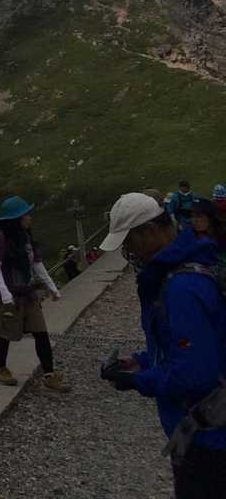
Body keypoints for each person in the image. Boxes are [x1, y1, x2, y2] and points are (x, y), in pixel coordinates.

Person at [98, 192, 226, 498]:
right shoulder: (186, 271)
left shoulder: (180, 288)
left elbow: (194, 375)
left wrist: (138, 380)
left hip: (209, 436)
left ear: (151, 231)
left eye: (128, 242)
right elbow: (189, 347)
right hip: (199, 429)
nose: (128, 252)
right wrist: (141, 361)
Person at [0, 196, 69, 391]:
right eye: (26, 214)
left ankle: (49, 374)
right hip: (10, 295)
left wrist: (52, 287)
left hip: (28, 293)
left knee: (41, 332)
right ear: (17, 218)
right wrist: (4, 293)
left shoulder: (25, 235)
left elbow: (36, 262)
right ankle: (0, 369)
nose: (29, 217)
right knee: (5, 333)